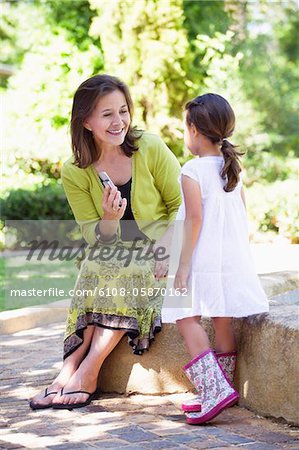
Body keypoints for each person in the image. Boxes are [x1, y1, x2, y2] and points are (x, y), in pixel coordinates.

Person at [29, 74, 181, 410]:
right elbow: (92, 236)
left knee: (117, 269)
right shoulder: (74, 170)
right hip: (110, 254)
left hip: (158, 250)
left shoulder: (150, 148)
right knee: (100, 264)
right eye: (107, 114)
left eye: (123, 111)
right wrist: (109, 220)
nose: (119, 121)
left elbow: (180, 205)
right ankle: (69, 370)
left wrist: (166, 251)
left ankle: (86, 371)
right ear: (86, 121)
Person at [162, 93, 269, 425]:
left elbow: (194, 220)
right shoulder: (230, 169)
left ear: (194, 129)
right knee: (221, 319)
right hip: (229, 259)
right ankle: (220, 389)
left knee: (185, 317)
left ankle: (215, 390)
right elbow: (242, 217)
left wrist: (181, 267)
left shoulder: (192, 170)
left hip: (201, 259)